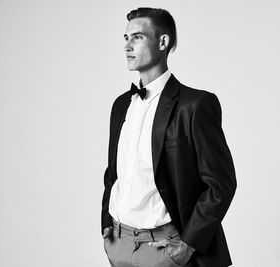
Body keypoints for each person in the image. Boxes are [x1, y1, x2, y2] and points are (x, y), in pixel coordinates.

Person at [101, 7, 236, 267]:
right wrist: (106, 225)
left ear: (162, 42)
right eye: (125, 38)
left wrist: (188, 246)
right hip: (119, 244)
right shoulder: (121, 105)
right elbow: (113, 172)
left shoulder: (194, 105)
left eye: (137, 37)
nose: (127, 46)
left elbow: (221, 184)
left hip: (166, 248)